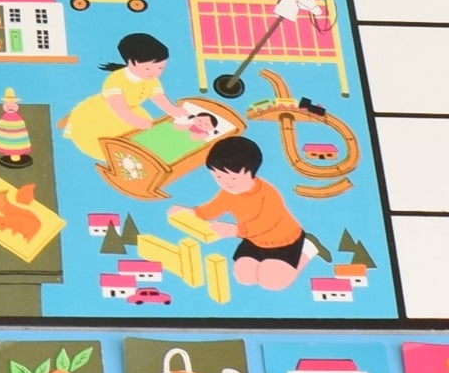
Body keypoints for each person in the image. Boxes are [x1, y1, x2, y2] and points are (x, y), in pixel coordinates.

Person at [192, 136, 320, 291]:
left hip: (284, 242)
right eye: (218, 176)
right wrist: (193, 212)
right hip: (254, 241)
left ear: (250, 172)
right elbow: (213, 208)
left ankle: (308, 249)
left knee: (271, 282)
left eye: (232, 177)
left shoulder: (268, 194)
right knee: (244, 277)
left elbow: (265, 223)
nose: (225, 182)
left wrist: (235, 230)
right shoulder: (228, 192)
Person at [60, 31, 193, 155]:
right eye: (147, 68)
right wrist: (135, 120)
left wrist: (172, 110)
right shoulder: (116, 79)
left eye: (160, 68)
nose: (154, 72)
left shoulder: (152, 80)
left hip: (131, 109)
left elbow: (158, 96)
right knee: (116, 142)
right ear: (130, 62)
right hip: (107, 112)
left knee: (145, 133)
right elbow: (119, 108)